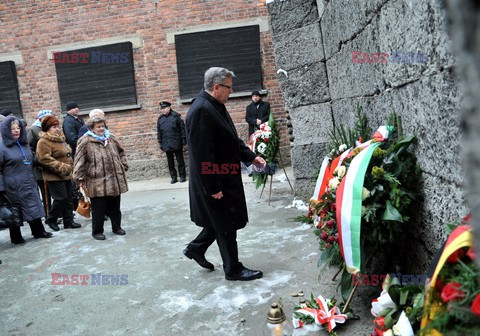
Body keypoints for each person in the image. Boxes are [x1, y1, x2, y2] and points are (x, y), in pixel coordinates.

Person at [183, 67, 266, 281]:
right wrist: (213, 188)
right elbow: (203, 155)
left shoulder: (215, 106)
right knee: (226, 224)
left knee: (218, 220)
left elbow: (231, 140)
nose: (232, 91)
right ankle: (233, 269)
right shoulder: (201, 110)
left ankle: (196, 249)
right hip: (215, 180)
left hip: (225, 177)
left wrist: (251, 156)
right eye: (229, 87)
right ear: (216, 87)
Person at [73, 117, 128, 240]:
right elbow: (79, 160)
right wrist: (79, 178)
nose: (101, 128)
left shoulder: (110, 138)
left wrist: (123, 165)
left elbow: (121, 152)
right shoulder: (85, 141)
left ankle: (117, 227)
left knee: (115, 207)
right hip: (96, 181)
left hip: (114, 180)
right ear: (91, 128)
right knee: (99, 209)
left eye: (103, 126)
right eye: (98, 126)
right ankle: (97, 231)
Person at [0, 116, 52, 244]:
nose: (16, 131)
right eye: (12, 129)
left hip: (28, 181)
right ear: (6, 130)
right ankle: (16, 236)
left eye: (18, 128)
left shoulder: (24, 144)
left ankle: (38, 231)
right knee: (15, 210)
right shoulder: (2, 147)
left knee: (33, 205)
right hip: (12, 185)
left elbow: (30, 160)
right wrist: (1, 188)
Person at [36, 115, 81, 231]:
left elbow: (67, 153)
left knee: (69, 199)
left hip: (67, 174)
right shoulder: (43, 142)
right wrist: (61, 167)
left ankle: (68, 221)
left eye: (57, 126)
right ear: (47, 128)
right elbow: (43, 159)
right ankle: (51, 219)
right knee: (60, 199)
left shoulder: (61, 139)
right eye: (53, 127)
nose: (57, 129)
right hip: (54, 176)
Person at [27, 109, 54, 214]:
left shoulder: (51, 128)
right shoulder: (34, 129)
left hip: (53, 165)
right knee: (45, 193)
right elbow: (29, 147)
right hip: (41, 167)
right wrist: (39, 158)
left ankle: (56, 214)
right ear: (40, 119)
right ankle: (48, 214)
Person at [157, 101, 187, 184]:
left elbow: (182, 129)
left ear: (169, 108)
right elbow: (159, 132)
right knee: (170, 163)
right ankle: (173, 177)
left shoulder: (176, 116)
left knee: (180, 161)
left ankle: (182, 176)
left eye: (164, 108)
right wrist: (160, 143)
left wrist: (184, 140)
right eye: (161, 108)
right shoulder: (160, 119)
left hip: (176, 142)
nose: (163, 110)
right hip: (166, 143)